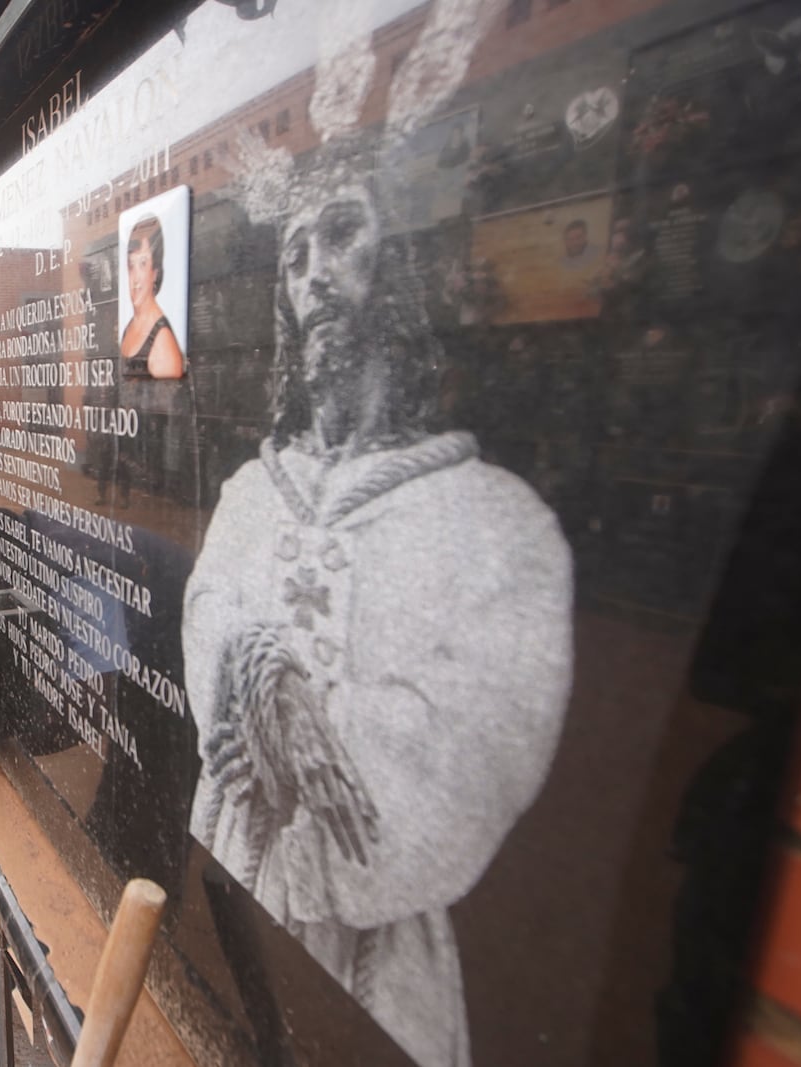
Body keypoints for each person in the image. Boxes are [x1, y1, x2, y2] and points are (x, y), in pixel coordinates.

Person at [182, 145, 573, 1067]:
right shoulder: (250, 493)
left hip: (379, 955)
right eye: (295, 253)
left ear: (397, 263)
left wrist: (312, 714)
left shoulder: (497, 521)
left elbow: (478, 740)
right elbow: (207, 628)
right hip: (235, 875)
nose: (317, 270)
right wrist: (252, 668)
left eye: (344, 233)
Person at [119, 216, 186, 380]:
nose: (136, 278)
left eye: (143, 263)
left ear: (155, 272)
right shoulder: (130, 327)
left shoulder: (162, 340)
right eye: (131, 265)